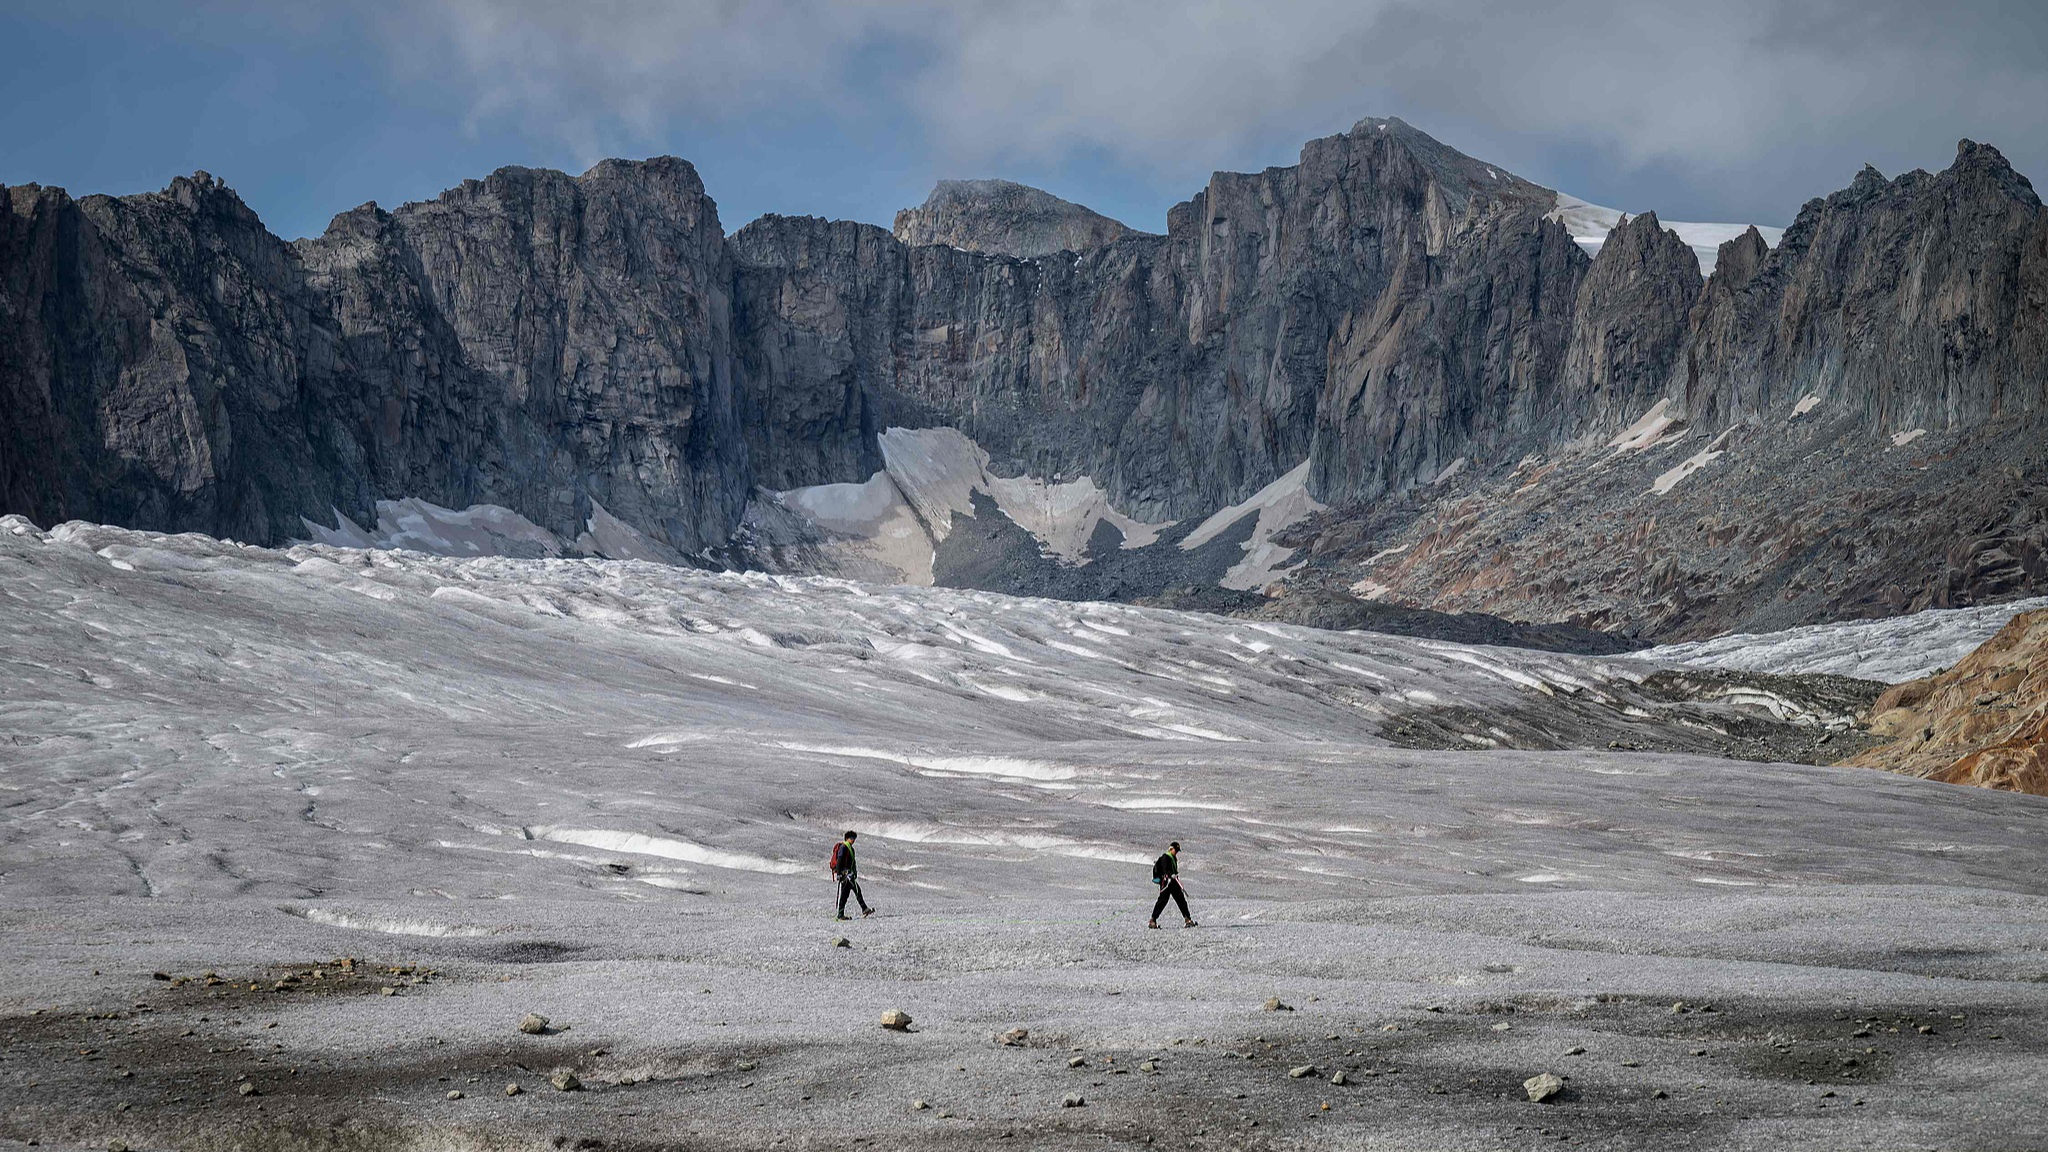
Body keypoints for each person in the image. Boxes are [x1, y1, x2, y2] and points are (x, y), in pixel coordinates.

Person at [1148, 841, 1196, 929]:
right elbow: (1166, 869)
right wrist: (1170, 874)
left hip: (1173, 881)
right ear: (1171, 849)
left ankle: (1188, 919)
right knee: (1162, 901)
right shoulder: (1166, 857)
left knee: (1181, 900)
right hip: (1166, 882)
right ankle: (1153, 920)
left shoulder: (1173, 858)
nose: (1176, 852)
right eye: (1176, 850)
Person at [830, 830, 874, 920]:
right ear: (847, 838)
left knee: (846, 894)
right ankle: (863, 909)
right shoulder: (844, 847)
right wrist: (839, 873)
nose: (853, 840)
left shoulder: (850, 848)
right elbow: (839, 860)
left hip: (848, 874)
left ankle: (841, 914)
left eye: (854, 838)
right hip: (846, 874)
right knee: (855, 891)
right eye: (851, 838)